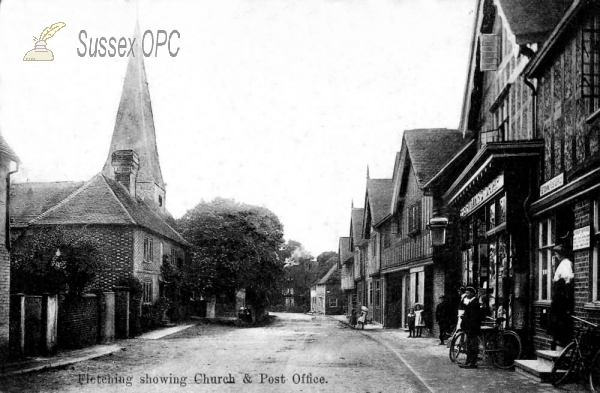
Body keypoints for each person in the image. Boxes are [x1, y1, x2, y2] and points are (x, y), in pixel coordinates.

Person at [547, 245, 574, 349]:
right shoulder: (563, 263)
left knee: (560, 320)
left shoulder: (566, 264)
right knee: (557, 321)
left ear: (560, 254)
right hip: (559, 296)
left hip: (561, 297)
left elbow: (567, 280)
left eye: (557, 253)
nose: (556, 255)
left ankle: (560, 345)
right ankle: (558, 343)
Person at [459, 287, 481, 369]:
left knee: (473, 345)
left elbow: (473, 317)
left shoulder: (475, 303)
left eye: (468, 293)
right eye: (466, 293)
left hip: (472, 328)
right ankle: (468, 362)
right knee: (469, 345)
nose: (466, 295)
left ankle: (472, 363)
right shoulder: (470, 302)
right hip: (469, 328)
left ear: (472, 294)